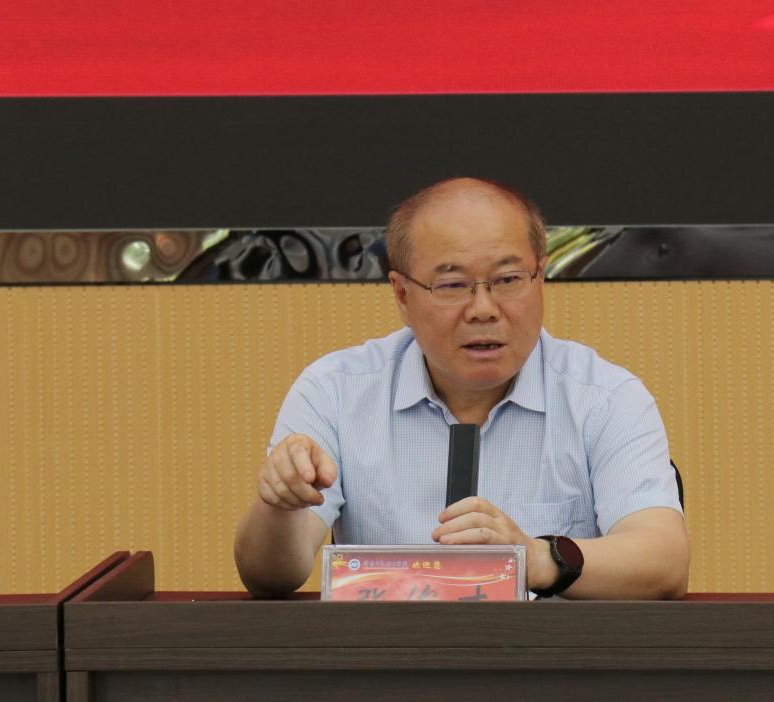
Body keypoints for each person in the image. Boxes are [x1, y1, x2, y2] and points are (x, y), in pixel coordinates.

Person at [234, 177, 689, 599]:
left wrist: (536, 558)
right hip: (386, 656)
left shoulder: (605, 397)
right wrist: (280, 505)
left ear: (540, 277)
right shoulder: (335, 392)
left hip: (550, 657)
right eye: (453, 284)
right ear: (402, 295)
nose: (483, 309)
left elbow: (664, 561)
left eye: (508, 280)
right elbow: (269, 576)